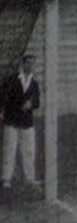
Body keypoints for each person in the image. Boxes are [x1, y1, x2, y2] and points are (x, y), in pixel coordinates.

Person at [0, 53, 41, 191]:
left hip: (26, 122)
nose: (31, 66)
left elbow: (37, 102)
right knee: (9, 149)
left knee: (29, 150)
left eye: (33, 63)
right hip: (11, 120)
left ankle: (30, 178)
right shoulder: (11, 80)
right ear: (23, 64)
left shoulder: (34, 83)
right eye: (28, 63)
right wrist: (2, 111)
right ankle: (6, 178)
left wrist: (31, 104)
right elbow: (3, 97)